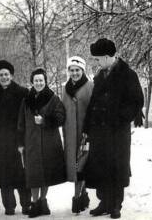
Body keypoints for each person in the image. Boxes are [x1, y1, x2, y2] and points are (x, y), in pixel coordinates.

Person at [83, 38, 144, 219]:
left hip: (117, 132)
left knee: (116, 167)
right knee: (100, 167)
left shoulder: (128, 75)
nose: (96, 62)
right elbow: (93, 103)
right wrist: (87, 127)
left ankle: (116, 204)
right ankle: (104, 202)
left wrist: (119, 118)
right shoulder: (100, 76)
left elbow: (137, 102)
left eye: (98, 59)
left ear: (108, 56)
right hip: (99, 132)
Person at [0, 60, 31, 216]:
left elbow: (26, 116)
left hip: (18, 139)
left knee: (22, 173)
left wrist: (21, 135)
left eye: (6, 74)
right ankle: (9, 206)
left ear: (12, 75)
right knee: (4, 174)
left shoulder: (23, 92)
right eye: (1, 75)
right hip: (0, 140)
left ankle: (26, 205)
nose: (4, 77)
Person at [17, 68, 66, 218]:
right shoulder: (26, 101)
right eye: (36, 80)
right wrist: (20, 143)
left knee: (46, 174)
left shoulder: (53, 98)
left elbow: (61, 118)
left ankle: (43, 202)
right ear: (32, 82)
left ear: (45, 82)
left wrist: (45, 120)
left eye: (41, 80)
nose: (38, 83)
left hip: (49, 142)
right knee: (33, 174)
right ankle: (35, 203)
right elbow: (20, 123)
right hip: (31, 142)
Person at [62, 56, 93, 213]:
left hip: (85, 133)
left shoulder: (90, 87)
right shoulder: (65, 88)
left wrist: (89, 131)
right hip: (69, 134)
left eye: (77, 70)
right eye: (72, 70)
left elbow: (93, 111)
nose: (74, 73)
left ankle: (77, 199)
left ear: (83, 70)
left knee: (81, 165)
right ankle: (84, 195)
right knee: (76, 166)